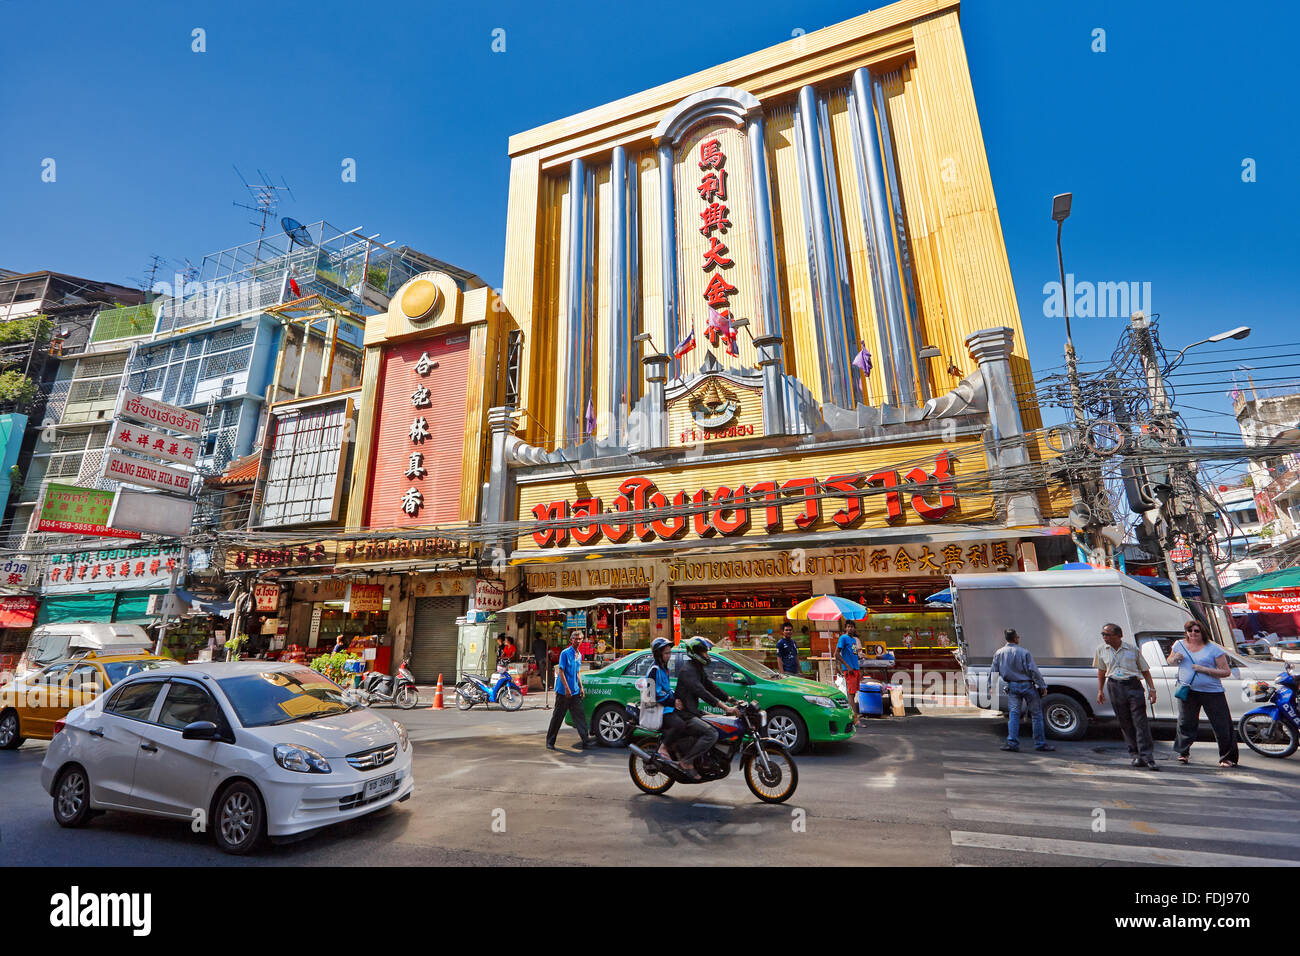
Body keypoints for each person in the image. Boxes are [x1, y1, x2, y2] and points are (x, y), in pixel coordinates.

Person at [1167, 620, 1238, 768]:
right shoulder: (1179, 645)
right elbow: (1170, 660)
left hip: (1212, 691)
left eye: (1196, 631)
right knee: (1185, 722)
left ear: (1202, 632)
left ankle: (1227, 757)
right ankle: (1183, 752)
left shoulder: (1213, 649)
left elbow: (1226, 672)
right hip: (1188, 689)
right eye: (1189, 631)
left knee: (1221, 724)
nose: (1192, 634)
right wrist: (1175, 659)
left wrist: (1204, 669)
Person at [1094, 623, 1160, 770]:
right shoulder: (1101, 650)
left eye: (1107, 634)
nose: (1104, 637)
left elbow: (1145, 670)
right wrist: (1100, 690)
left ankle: (1147, 757)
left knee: (1140, 722)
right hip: (1115, 686)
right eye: (1103, 634)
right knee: (1124, 721)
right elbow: (1101, 671)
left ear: (1118, 636)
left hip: (1133, 686)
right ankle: (1135, 755)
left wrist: (1152, 689)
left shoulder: (1132, 649)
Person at [673, 637, 737, 780]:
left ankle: (707, 758)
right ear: (696, 653)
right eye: (704, 653)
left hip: (693, 711)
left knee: (720, 722)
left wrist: (730, 699)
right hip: (685, 714)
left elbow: (711, 687)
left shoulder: (697, 668)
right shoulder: (688, 670)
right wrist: (725, 707)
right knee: (711, 733)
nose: (707, 656)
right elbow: (702, 692)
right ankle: (686, 761)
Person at [990, 628, 1054, 752]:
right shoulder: (1024, 652)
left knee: (1014, 714)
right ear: (1015, 638)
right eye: (1017, 637)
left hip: (1012, 686)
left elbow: (994, 671)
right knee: (1036, 714)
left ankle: (1012, 743)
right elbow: (1033, 671)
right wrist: (1042, 686)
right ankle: (1040, 744)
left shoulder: (999, 653)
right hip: (1027, 686)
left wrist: (991, 686)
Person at [546, 632, 594, 751]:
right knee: (558, 717)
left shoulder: (579, 655)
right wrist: (567, 688)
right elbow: (561, 672)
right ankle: (550, 741)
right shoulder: (565, 653)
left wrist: (581, 687)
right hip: (563, 692)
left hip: (575, 691)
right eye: (576, 639)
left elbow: (577, 672)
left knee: (580, 717)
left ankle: (585, 741)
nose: (578, 641)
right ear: (571, 640)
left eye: (580, 639)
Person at [646, 638, 686, 763]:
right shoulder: (654, 671)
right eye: (666, 653)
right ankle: (663, 748)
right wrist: (672, 701)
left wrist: (677, 697)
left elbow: (667, 689)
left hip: (667, 707)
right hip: (660, 710)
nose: (669, 656)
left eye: (670, 653)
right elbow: (653, 695)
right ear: (659, 655)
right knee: (679, 724)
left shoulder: (664, 669)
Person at [837, 622, 865, 726]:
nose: (850, 628)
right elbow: (836, 654)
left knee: (852, 694)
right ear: (845, 628)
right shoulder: (843, 638)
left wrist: (859, 669)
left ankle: (852, 716)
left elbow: (853, 656)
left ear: (854, 629)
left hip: (855, 669)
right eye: (848, 627)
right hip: (850, 671)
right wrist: (847, 666)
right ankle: (855, 719)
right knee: (851, 695)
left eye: (852, 627)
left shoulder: (853, 640)